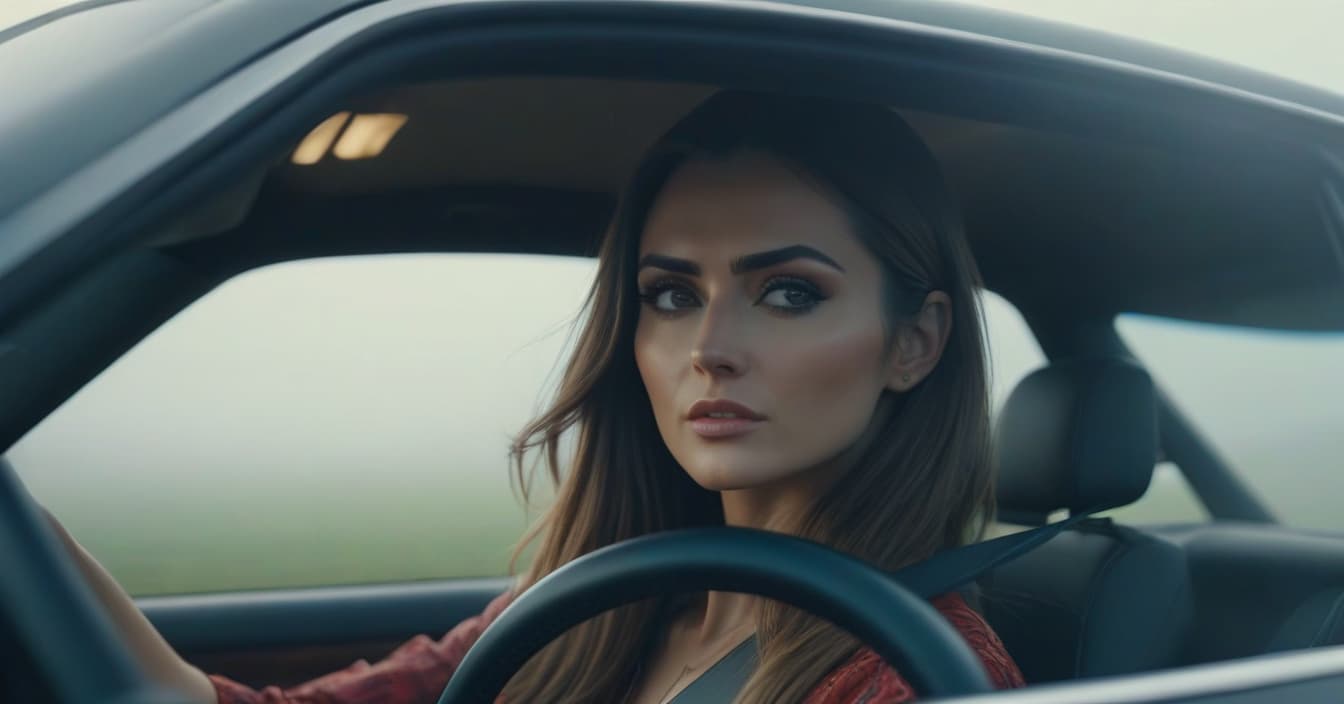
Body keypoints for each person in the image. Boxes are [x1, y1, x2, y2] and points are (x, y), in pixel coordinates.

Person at [48, 90, 1024, 703]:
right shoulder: (597, 601)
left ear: (915, 341)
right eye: (673, 295)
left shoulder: (924, 673)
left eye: (789, 292)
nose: (710, 348)